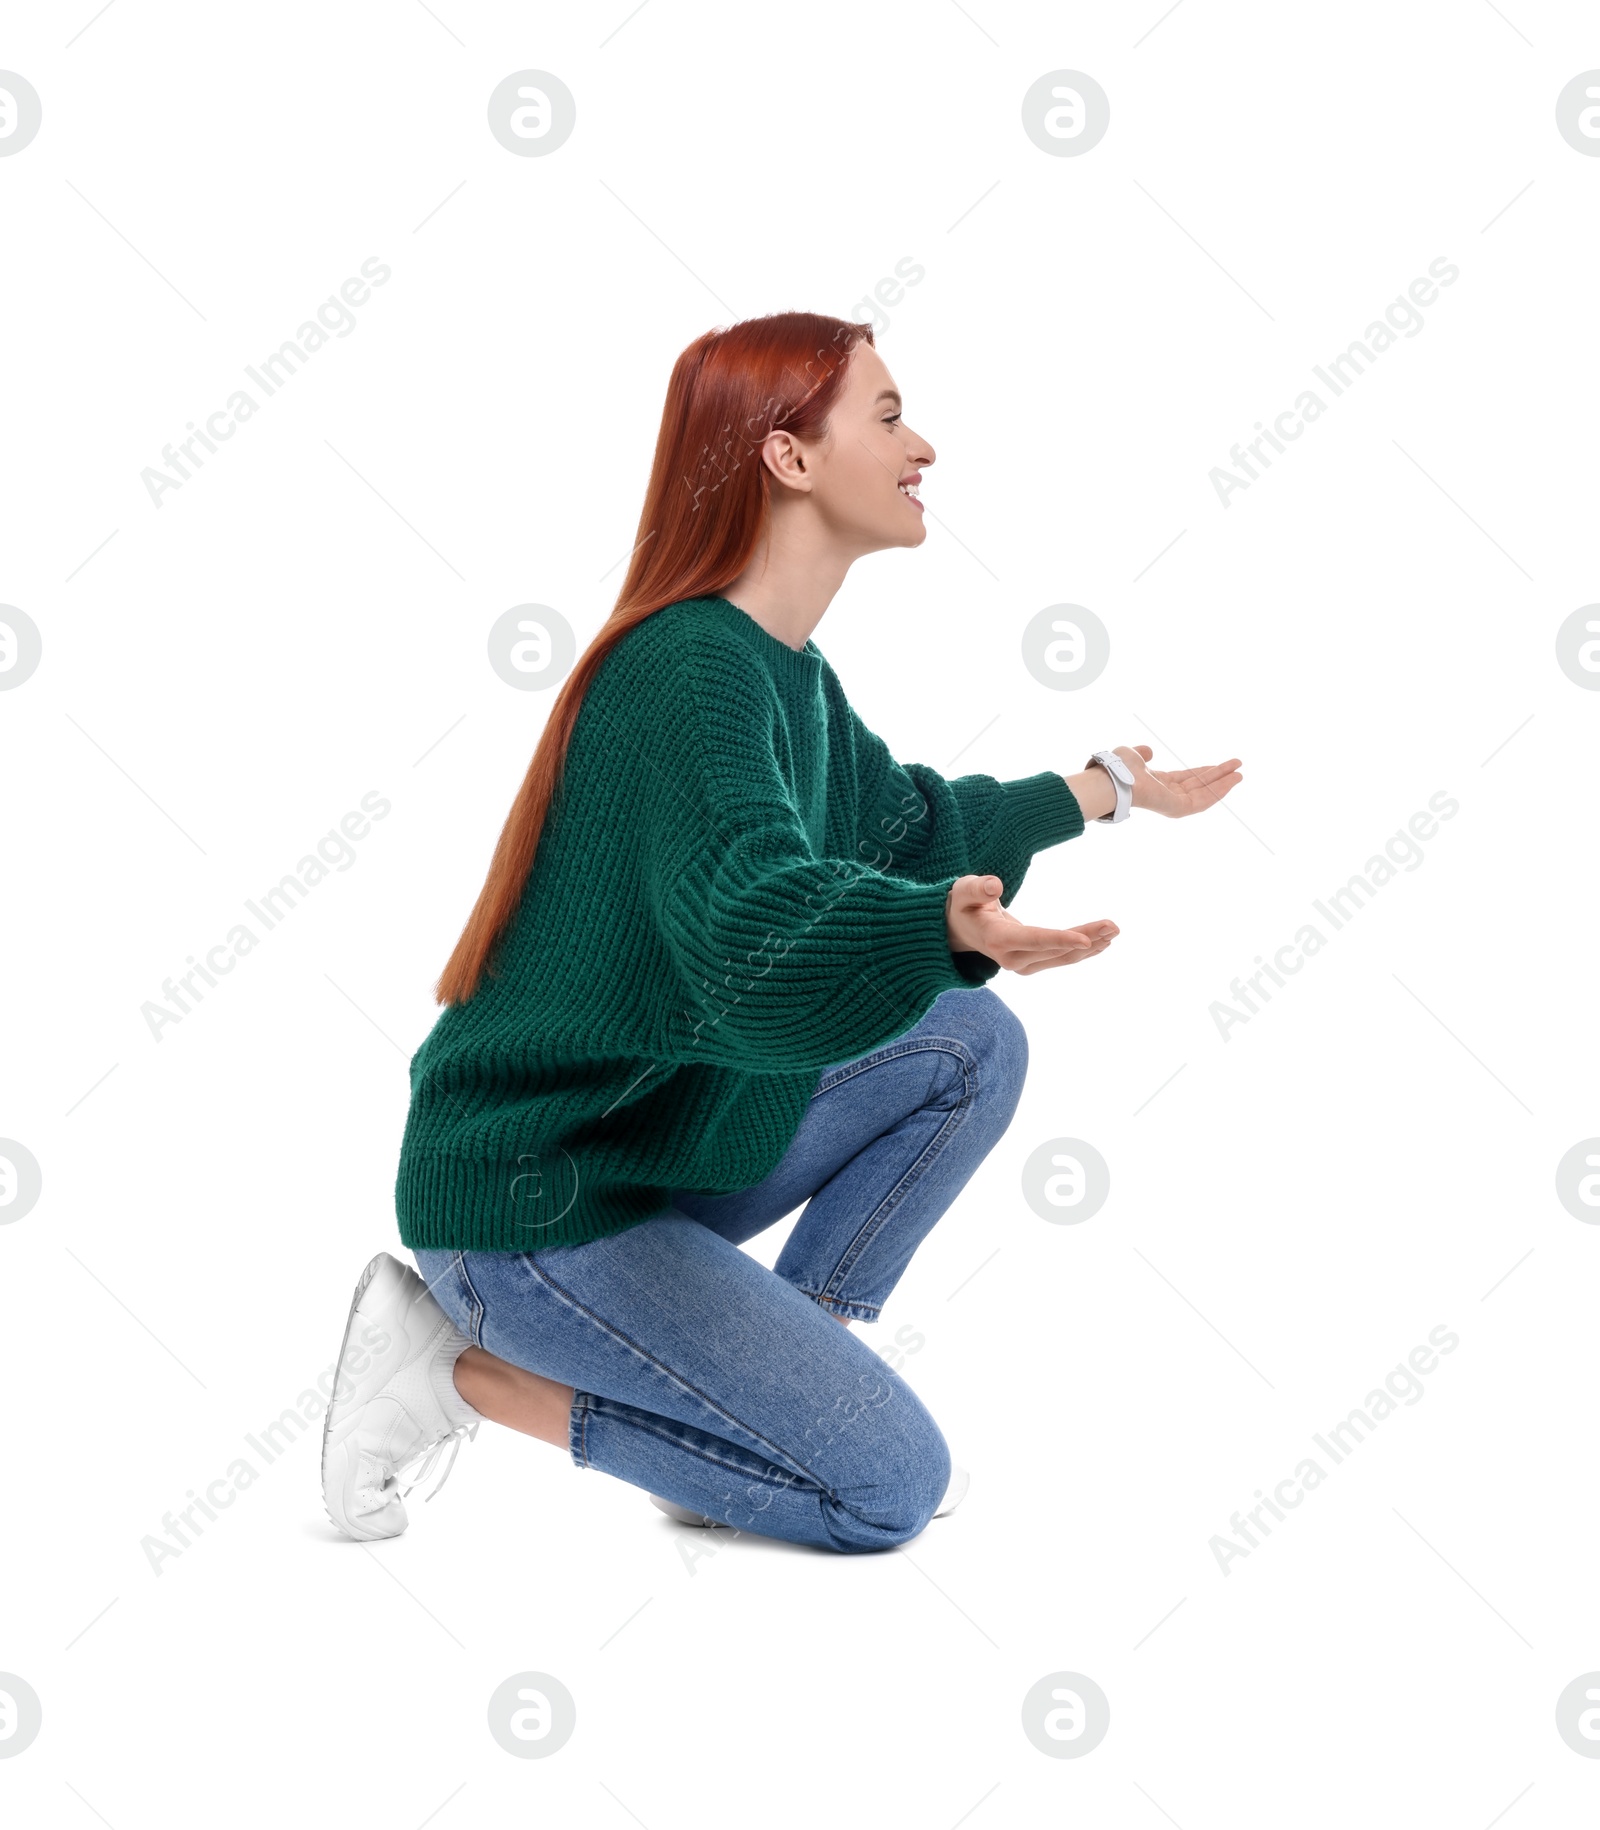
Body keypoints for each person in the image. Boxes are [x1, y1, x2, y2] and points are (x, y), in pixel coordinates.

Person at [319, 311, 1242, 1554]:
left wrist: (1101, 790)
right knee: (883, 1493)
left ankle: (773, 1399)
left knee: (965, 1037)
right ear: (789, 459)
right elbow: (753, 922)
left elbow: (909, 824)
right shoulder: (685, 671)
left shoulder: (782, 671)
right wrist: (936, 922)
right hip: (528, 1215)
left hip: (640, 1164)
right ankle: (451, 1373)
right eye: (887, 414)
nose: (923, 444)